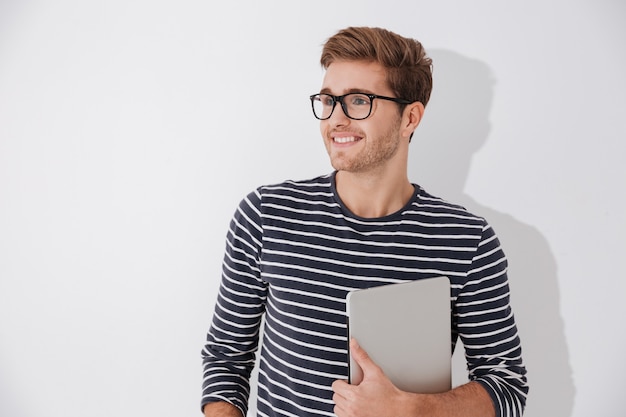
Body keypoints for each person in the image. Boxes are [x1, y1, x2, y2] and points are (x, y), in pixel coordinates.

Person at [201, 26, 528, 417]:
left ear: (411, 117)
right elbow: (226, 357)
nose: (336, 119)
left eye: (359, 101)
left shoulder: (468, 240)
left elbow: (507, 386)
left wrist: (413, 410)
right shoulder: (267, 214)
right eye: (328, 100)